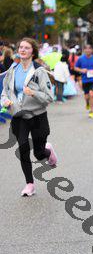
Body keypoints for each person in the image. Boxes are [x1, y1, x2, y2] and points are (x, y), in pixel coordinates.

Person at [1, 38, 58, 196]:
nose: (22, 50)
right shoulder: (13, 70)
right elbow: (5, 91)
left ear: (33, 51)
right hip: (19, 116)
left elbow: (49, 97)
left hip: (37, 116)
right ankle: (29, 184)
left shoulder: (39, 72)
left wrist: (33, 93)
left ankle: (48, 151)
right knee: (23, 148)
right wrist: (5, 100)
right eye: (21, 47)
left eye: (26, 47)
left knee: (38, 154)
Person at [74, 44, 93, 118]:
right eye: (86, 49)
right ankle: (87, 103)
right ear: (84, 50)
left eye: (89, 49)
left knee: (91, 95)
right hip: (85, 80)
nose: (88, 50)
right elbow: (75, 68)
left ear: (92, 50)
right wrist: (81, 70)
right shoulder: (81, 59)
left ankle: (91, 111)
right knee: (86, 97)